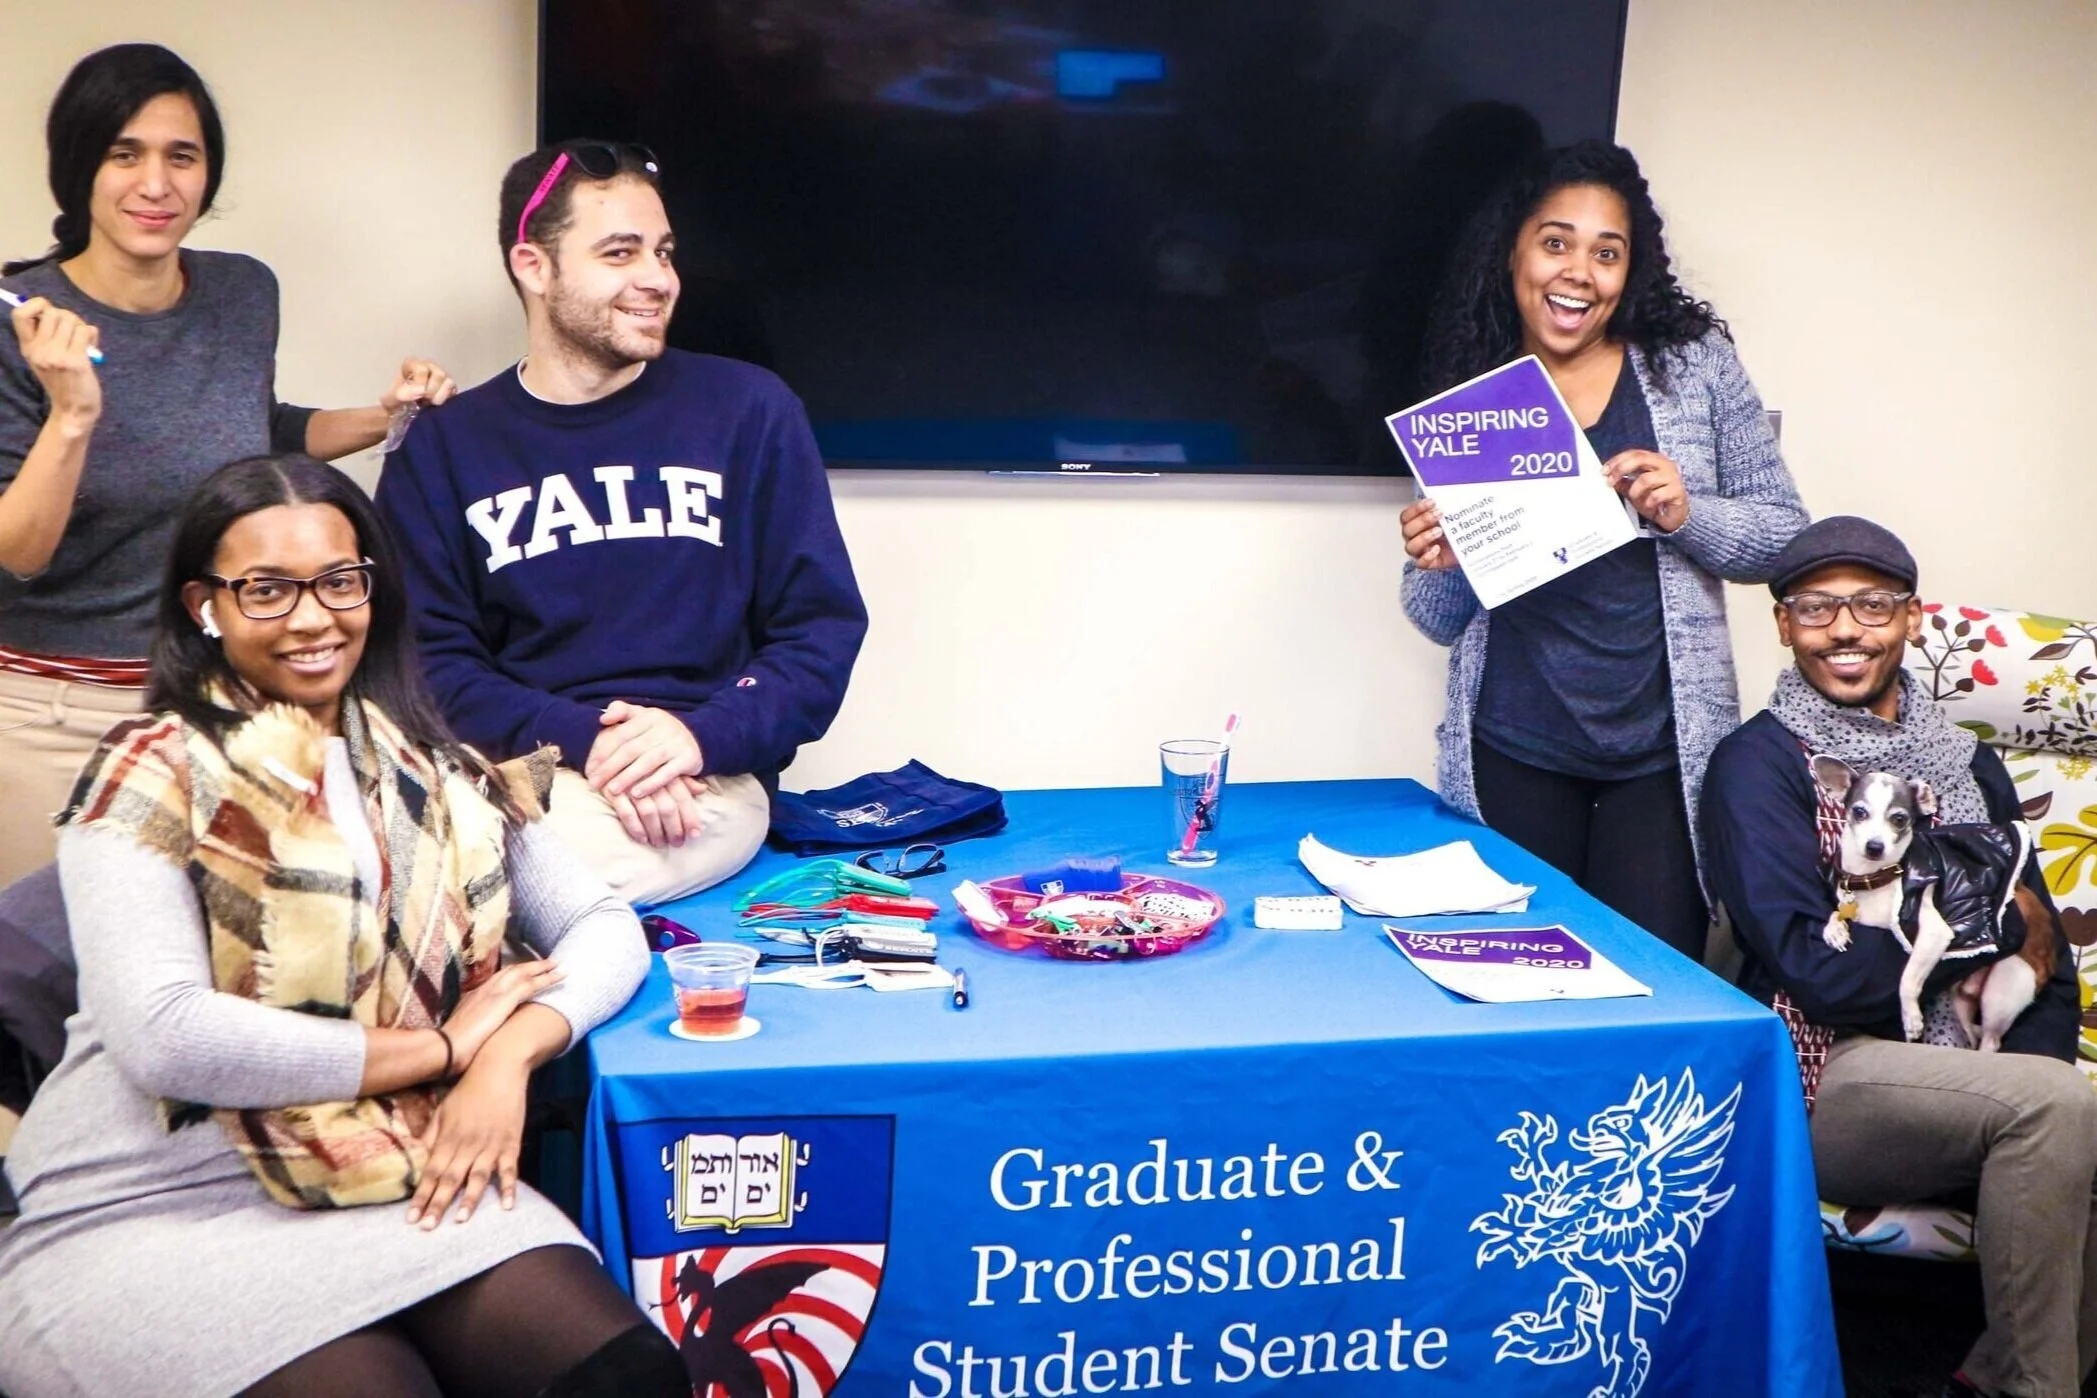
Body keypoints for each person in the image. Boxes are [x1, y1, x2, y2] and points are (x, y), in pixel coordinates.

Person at [0, 456, 688, 1398]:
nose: (315, 617)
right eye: (268, 590)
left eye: (338, 580)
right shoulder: (149, 770)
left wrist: (506, 1055)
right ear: (206, 605)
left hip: (391, 1165)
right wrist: (441, 1049)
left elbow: (604, 925)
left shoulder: (433, 770)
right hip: (150, 1198)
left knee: (624, 1376)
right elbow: (166, 1036)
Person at [0, 43, 457, 887]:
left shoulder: (244, 292)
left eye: (182, 156)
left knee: (239, 970)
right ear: (78, 169)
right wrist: (71, 413)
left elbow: (253, 429)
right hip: (54, 716)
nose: (155, 184)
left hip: (222, 699)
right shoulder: (22, 323)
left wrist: (383, 416)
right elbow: (18, 551)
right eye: (123, 154)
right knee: (54, 990)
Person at [375, 140, 867, 906]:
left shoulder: (748, 411)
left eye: (663, 253)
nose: (656, 279)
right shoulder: (444, 446)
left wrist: (694, 737)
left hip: (702, 776)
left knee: (494, 883)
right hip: (511, 771)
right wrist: (588, 741)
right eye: (620, 253)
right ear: (533, 267)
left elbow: (818, 633)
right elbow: (427, 664)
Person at [1701, 516, 2093, 1398]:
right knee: (2054, 1109)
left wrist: (2017, 1068)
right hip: (1826, 1067)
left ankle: (1989, 1378)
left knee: (2057, 1101)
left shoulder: (1968, 765)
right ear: (1783, 626)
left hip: (1971, 1075)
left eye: (1871, 605)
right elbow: (1811, 965)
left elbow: (2039, 945)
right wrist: (1967, 994)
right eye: (1816, 609)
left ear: (1910, 620)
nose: (1845, 629)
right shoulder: (1757, 766)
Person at [1398, 140, 1806, 959]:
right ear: (1512, 252)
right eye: (1556, 242)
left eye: (1605, 252)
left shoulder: (1692, 369)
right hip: (1512, 743)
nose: (1578, 271)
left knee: (1650, 980)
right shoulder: (1474, 387)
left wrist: (1686, 512)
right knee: (1513, 978)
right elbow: (1436, 617)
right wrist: (1434, 561)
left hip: (1659, 752)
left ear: (1631, 271)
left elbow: (1785, 538)